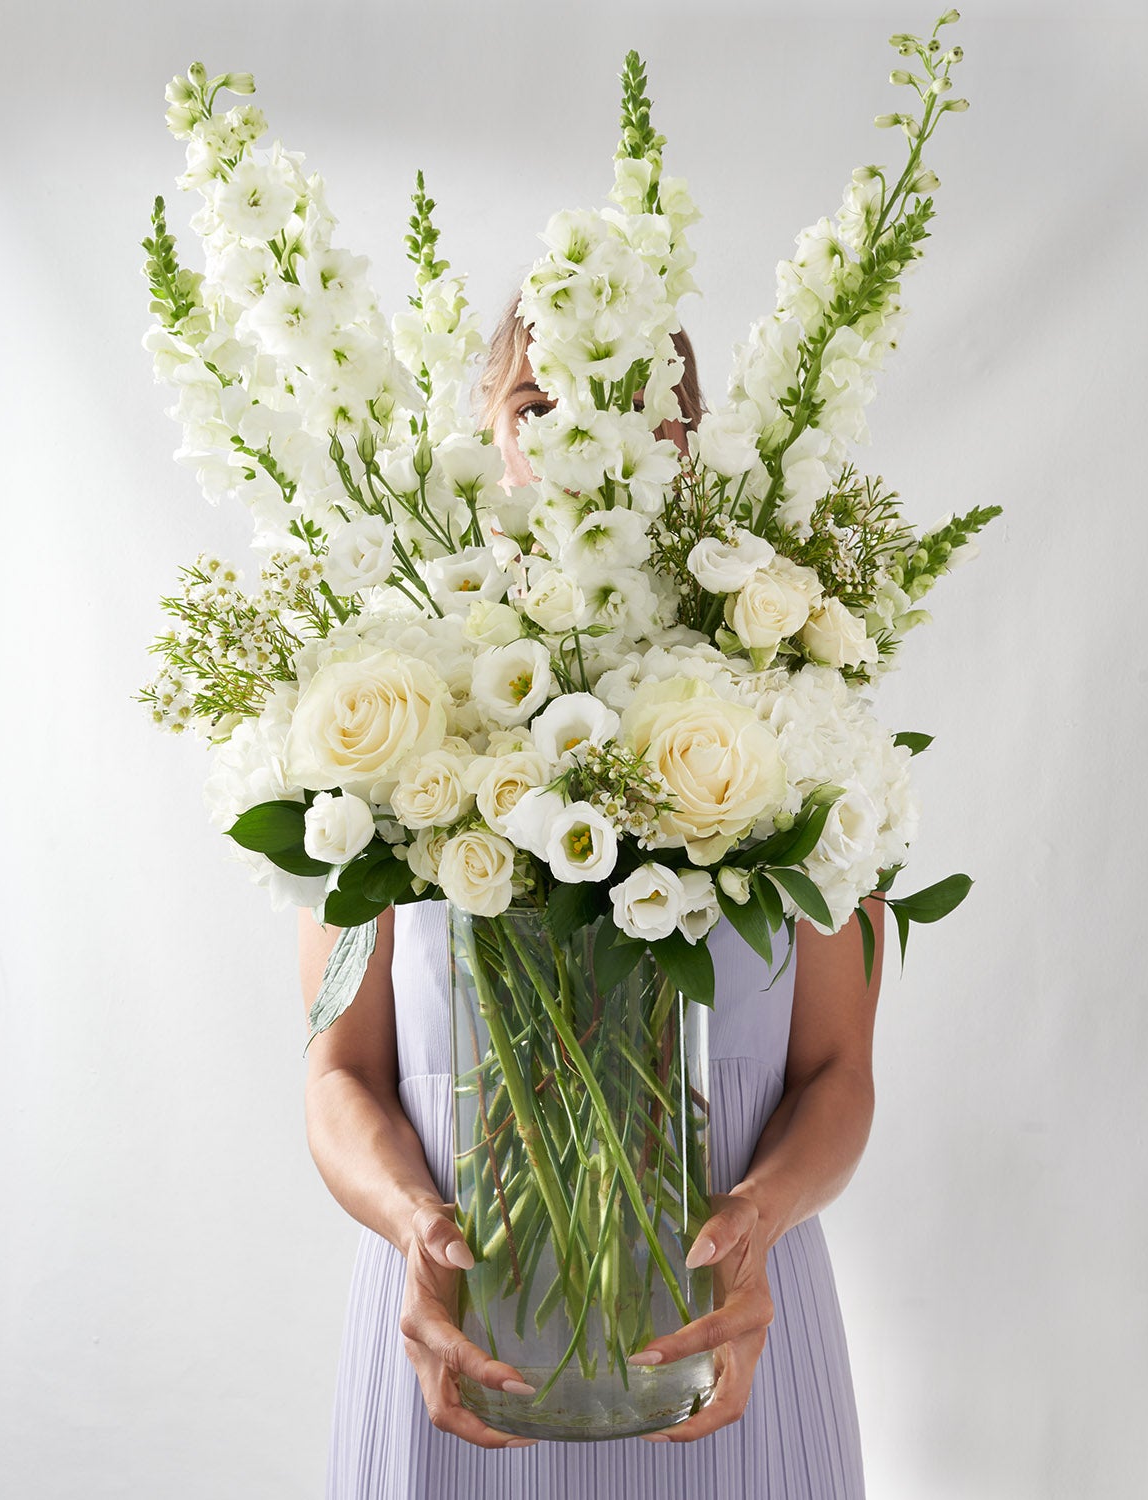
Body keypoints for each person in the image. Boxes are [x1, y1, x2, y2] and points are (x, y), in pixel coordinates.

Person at [301, 287, 885, 1498]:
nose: (584, 435)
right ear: (491, 438)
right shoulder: (391, 716)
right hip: (465, 1348)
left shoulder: (796, 718)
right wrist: (418, 1227)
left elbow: (840, 1074)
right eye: (539, 399)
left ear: (691, 442)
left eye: (633, 405)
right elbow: (338, 1076)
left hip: (719, 1347)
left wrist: (756, 1223)